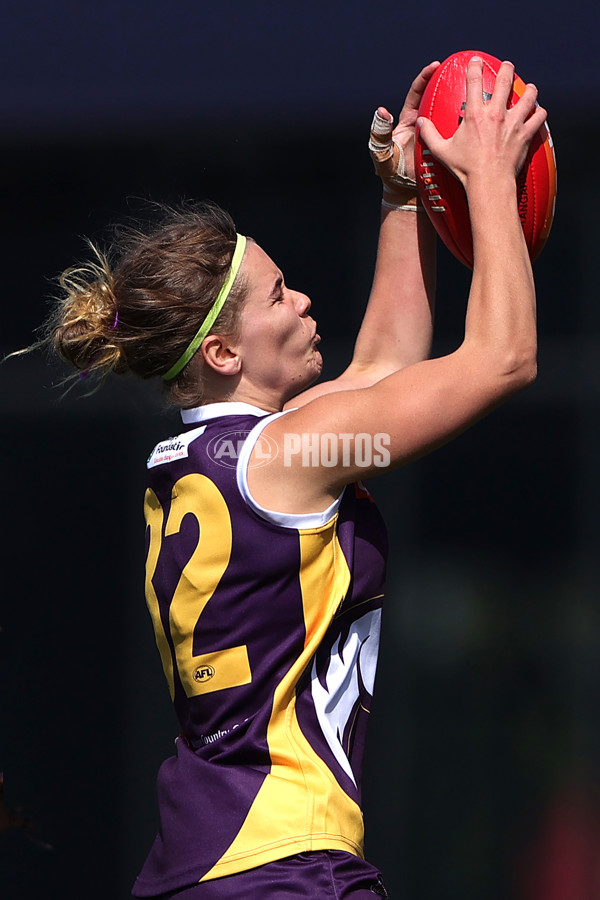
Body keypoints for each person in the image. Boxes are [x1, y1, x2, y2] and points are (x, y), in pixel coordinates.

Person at [46, 58, 545, 899]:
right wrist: (489, 177)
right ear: (224, 354)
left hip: (202, 869)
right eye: (278, 297)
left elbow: (386, 365)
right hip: (280, 868)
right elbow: (504, 359)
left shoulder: (210, 459)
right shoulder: (291, 455)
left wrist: (401, 198)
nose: (305, 301)